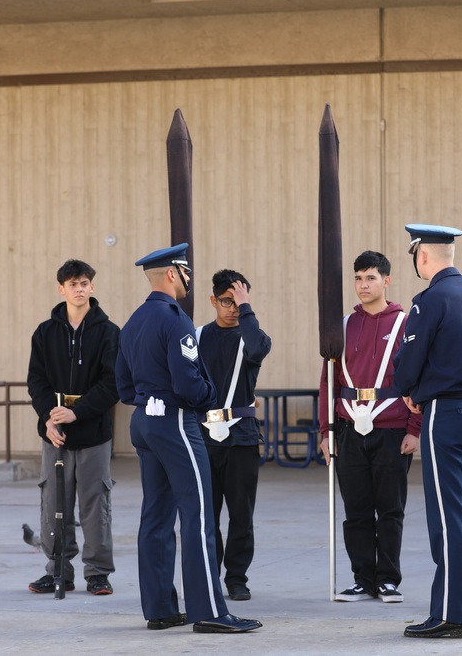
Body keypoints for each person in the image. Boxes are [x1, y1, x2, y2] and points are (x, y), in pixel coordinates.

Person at [115, 243, 262, 634]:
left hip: (144, 420)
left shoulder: (133, 320)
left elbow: (123, 384)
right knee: (197, 516)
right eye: (185, 272)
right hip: (177, 423)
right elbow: (188, 382)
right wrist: (207, 398)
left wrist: (149, 401)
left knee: (156, 516)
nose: (188, 279)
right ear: (171, 275)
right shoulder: (175, 319)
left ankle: (161, 608)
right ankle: (210, 610)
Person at [392, 224, 462, 639]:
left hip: (446, 413)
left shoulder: (429, 299)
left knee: (446, 513)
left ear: (422, 256)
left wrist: (409, 390)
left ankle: (451, 614)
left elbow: (410, 356)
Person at [318, 250, 421, 603]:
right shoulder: (343, 325)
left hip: (392, 429)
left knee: (390, 508)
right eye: (359, 278)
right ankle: (362, 579)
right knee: (356, 510)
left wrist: (414, 428)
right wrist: (325, 432)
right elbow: (328, 381)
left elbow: (417, 378)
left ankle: (388, 579)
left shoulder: (405, 323)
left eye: (371, 278)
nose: (363, 285)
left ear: (386, 281)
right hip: (348, 429)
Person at [26, 259, 120, 596]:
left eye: (84, 283)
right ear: (61, 289)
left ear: (92, 287)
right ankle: (57, 572)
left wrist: (77, 413)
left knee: (96, 504)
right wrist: (48, 418)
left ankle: (97, 573)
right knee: (53, 504)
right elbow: (36, 381)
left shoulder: (109, 332)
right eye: (72, 284)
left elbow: (113, 384)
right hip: (55, 433)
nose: (78, 289)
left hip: (92, 432)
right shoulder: (45, 332)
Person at [196, 269, 271, 602]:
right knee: (206, 512)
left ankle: (237, 577)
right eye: (226, 301)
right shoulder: (196, 336)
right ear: (213, 300)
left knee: (241, 513)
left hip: (241, 436)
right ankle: (210, 573)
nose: (232, 308)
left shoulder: (250, 335)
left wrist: (247, 310)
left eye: (238, 302)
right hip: (203, 436)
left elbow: (259, 348)